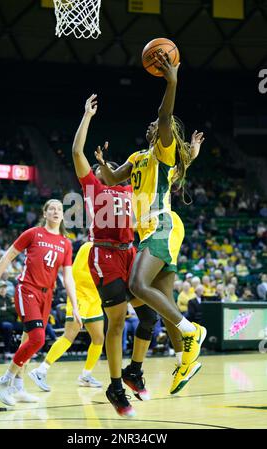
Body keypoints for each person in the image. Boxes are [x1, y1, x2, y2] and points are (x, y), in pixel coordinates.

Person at [95, 52, 206, 395]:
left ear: (165, 134)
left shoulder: (163, 150)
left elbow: (164, 115)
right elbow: (114, 178)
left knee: (138, 286)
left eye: (159, 127)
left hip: (160, 225)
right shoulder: (138, 158)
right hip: (149, 232)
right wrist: (101, 166)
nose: (154, 126)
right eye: (154, 127)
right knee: (165, 300)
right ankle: (184, 360)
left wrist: (171, 82)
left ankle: (193, 332)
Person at [69, 94, 159, 417]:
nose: (102, 169)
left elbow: (154, 169)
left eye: (105, 167)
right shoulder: (93, 187)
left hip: (130, 253)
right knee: (117, 321)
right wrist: (87, 116)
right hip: (104, 255)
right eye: (99, 168)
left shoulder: (128, 188)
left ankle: (134, 371)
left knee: (149, 318)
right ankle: (116, 386)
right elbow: (77, 151)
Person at [0, 199, 82, 407]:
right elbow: (7, 256)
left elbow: (68, 277)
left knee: (27, 341)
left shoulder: (65, 242)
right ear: (44, 213)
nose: (56, 212)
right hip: (27, 289)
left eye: (59, 209)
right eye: (52, 209)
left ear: (63, 215)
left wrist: (75, 306)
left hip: (47, 295)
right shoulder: (33, 233)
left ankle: (18, 387)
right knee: (37, 338)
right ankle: (4, 381)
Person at [29, 241, 105, 390]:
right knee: (69, 336)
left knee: (99, 338)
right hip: (80, 296)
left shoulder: (109, 250)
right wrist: (102, 278)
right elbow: (77, 273)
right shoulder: (88, 247)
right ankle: (41, 370)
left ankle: (86, 375)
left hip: (94, 298)